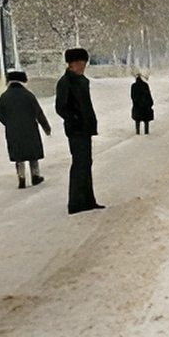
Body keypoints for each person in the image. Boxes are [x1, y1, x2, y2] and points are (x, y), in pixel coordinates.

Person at [54, 47, 103, 213]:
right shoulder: (65, 82)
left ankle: (88, 200)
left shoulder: (82, 81)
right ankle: (75, 203)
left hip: (85, 128)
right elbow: (60, 107)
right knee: (79, 164)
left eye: (84, 64)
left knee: (86, 163)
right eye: (80, 64)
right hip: (75, 130)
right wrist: (74, 118)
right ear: (71, 64)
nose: (83, 67)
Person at [0, 70, 51, 189]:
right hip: (30, 129)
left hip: (13, 130)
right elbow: (38, 113)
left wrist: (8, 123)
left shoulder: (4, 96)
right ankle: (35, 176)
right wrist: (46, 127)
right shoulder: (28, 95)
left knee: (18, 154)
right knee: (32, 153)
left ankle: (21, 178)